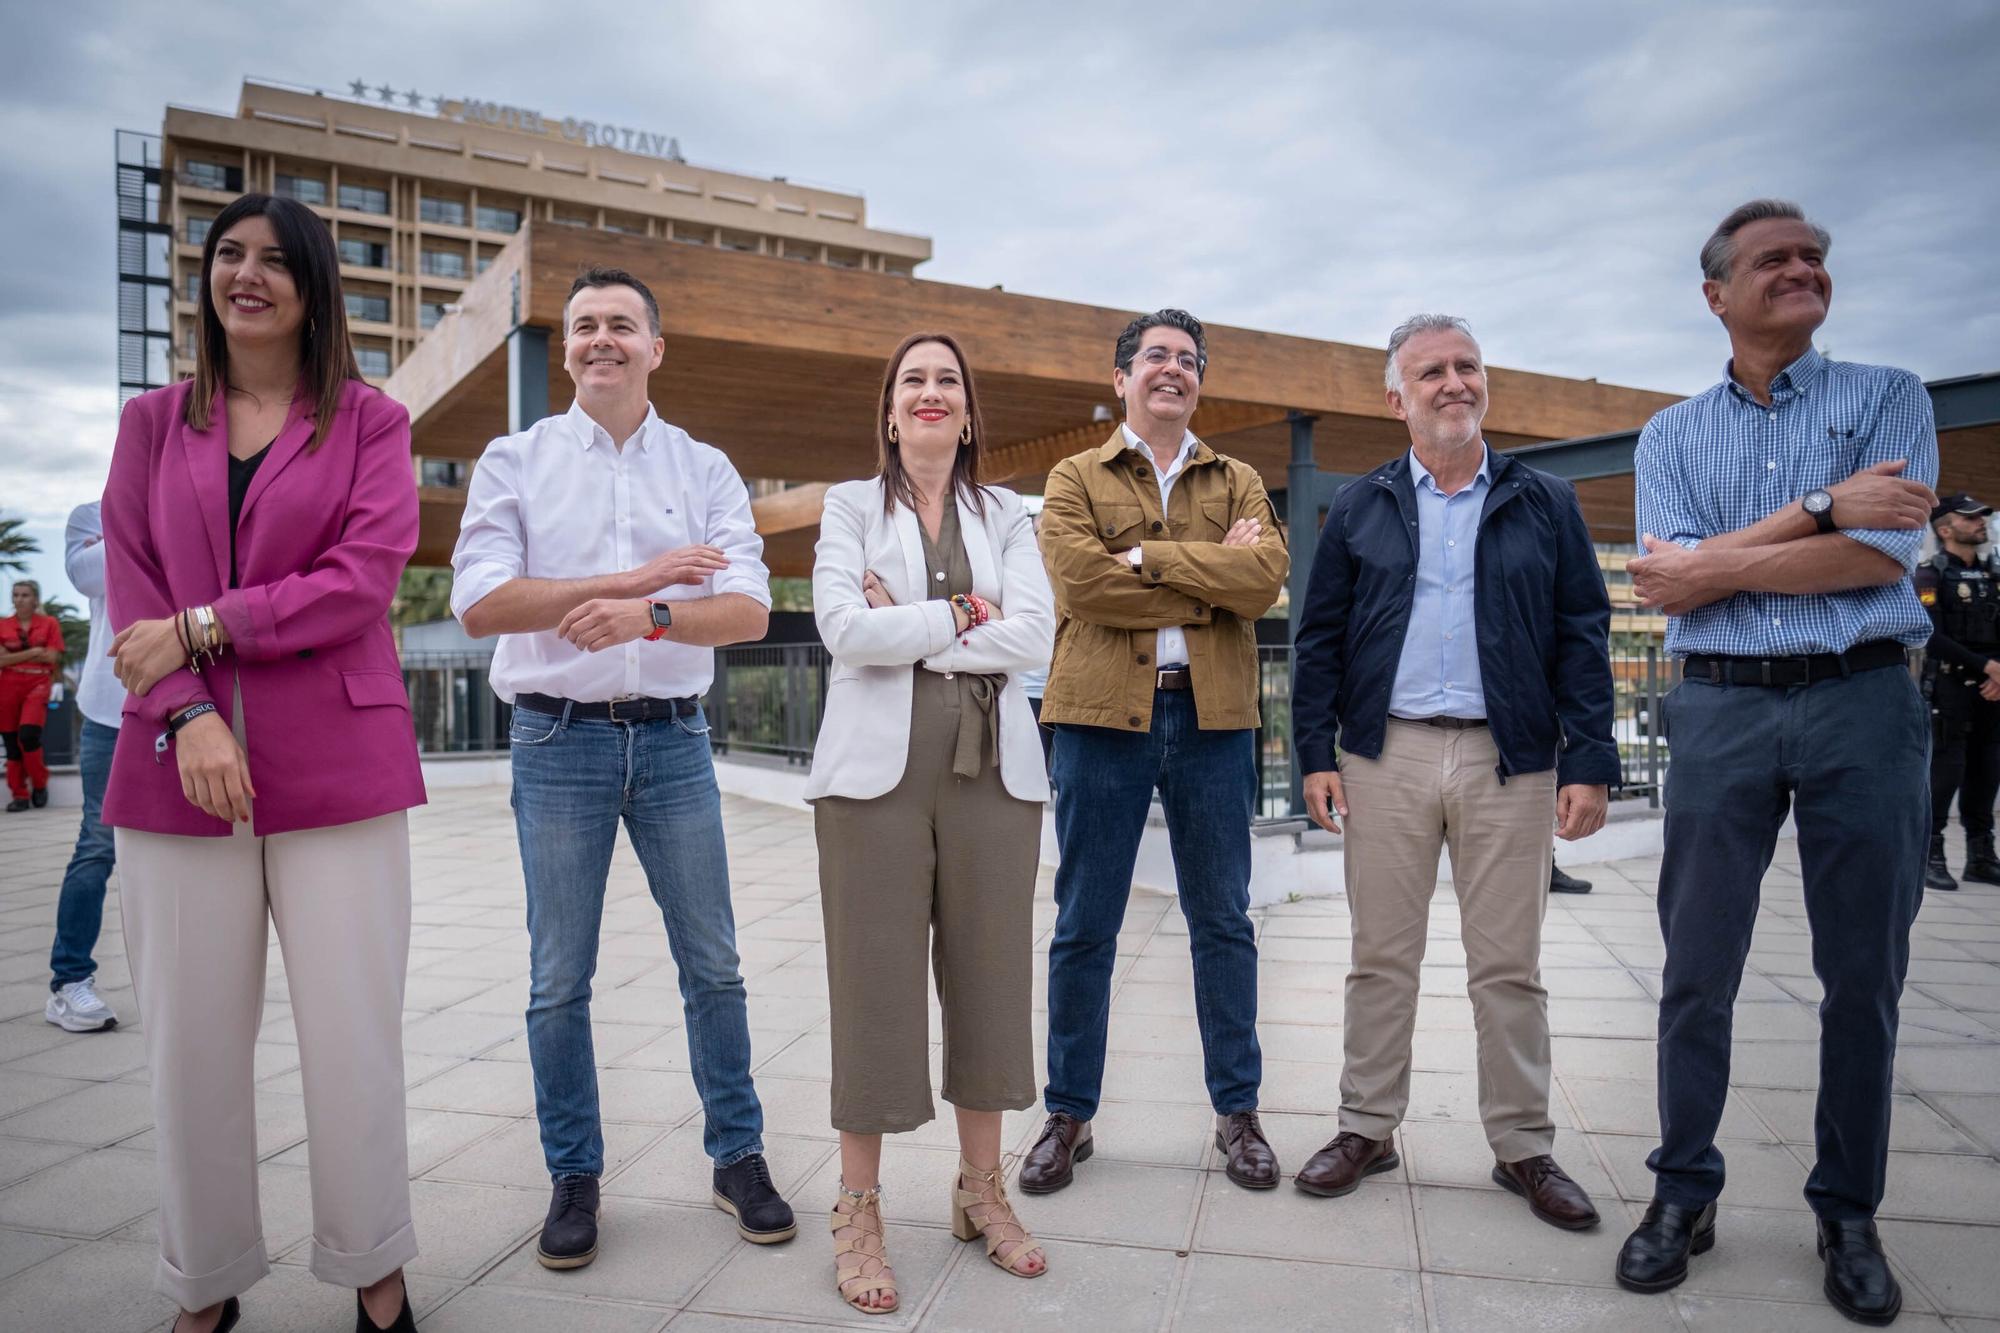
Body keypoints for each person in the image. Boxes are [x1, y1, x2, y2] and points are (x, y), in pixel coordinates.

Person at [101, 191, 426, 1333]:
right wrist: (188, 708)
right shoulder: (150, 423)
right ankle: (205, 1282)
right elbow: (134, 590)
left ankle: (374, 1267)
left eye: (274, 260)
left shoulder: (371, 423)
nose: (247, 274)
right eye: (227, 255)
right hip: (173, 766)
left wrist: (205, 626)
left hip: (339, 760)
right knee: (188, 1045)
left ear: (313, 285)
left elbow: (363, 578)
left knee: (351, 1034)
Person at [1620, 199, 1935, 1324]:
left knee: (1864, 974)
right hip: (1721, 712)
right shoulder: (1666, 434)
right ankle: (1681, 1191)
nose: (1802, 268)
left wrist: (1724, 561)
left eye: (1813, 256)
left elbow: (1874, 560)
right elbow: (1664, 581)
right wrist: (1816, 506)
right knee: (1694, 967)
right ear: (1715, 294)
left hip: (1861, 703)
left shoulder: (1888, 397)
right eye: (1774, 259)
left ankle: (1846, 1210)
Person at [451, 265, 794, 1271]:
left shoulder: (704, 468)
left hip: (675, 738)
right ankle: (574, 1175)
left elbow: (748, 610)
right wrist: (639, 576)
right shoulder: (513, 460)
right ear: (566, 349)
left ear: (656, 346)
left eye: (622, 325)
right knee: (559, 978)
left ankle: (737, 1156)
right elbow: (481, 604)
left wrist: (647, 616)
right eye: (585, 325)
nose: (602, 338)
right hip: (557, 739)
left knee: (715, 964)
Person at [1291, 314, 1616, 1227]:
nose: (1453, 383)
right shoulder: (1360, 503)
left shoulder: (1543, 500)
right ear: (1397, 398)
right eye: (1431, 371)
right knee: (1379, 957)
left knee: (1508, 965)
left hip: (1507, 758)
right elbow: (1317, 639)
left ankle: (1523, 1145)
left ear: (1486, 384)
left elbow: (1582, 634)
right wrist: (1316, 752)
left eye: (1466, 366)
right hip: (1383, 753)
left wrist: (1586, 760)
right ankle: (1366, 1126)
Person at [805, 332, 1055, 1313]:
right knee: (873, 986)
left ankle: (980, 1189)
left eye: (946, 380)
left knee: (991, 978)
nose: (929, 391)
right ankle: (857, 1206)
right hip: (871, 781)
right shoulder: (845, 506)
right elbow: (841, 631)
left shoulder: (1009, 513)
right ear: (888, 406)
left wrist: (907, 618)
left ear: (966, 408)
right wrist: (961, 615)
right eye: (912, 378)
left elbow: (1032, 633)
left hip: (995, 774)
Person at [1029, 308, 1290, 1194]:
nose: (1171, 370)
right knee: (1083, 925)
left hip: (1212, 721)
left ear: (1199, 380)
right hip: (1100, 719)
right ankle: (1069, 1113)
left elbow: (1263, 583)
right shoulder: (1074, 475)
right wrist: (1205, 571)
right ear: (1121, 379)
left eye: (1187, 359)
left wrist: (1144, 555)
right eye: (1155, 358)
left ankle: (1238, 1111)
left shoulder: (1240, 477)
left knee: (1223, 920)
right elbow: (1082, 584)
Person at [43, 503, 122, 1032]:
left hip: (190, 707)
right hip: (110, 709)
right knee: (98, 845)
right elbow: (88, 577)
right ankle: (69, 982)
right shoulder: (91, 515)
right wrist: (146, 511)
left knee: (195, 848)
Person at [1916, 493, 2000, 891]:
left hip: (1992, 690)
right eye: (1971, 518)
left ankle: (1981, 855)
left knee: (1987, 771)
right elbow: (1929, 636)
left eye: (1982, 516)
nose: (1980, 522)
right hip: (1950, 688)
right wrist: (1987, 667)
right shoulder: (1932, 574)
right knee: (1946, 771)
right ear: (1945, 529)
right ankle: (1931, 854)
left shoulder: (1994, 575)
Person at [1, 578, 63, 811]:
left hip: (38, 684)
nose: (19, 599)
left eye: (25, 595)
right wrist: (36, 651)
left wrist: (12, 656)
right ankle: (19, 795)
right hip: (7, 686)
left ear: (35, 599)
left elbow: (52, 657)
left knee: (28, 735)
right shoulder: (2, 625)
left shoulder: (49, 623)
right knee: (11, 743)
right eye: (16, 595)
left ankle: (39, 783)